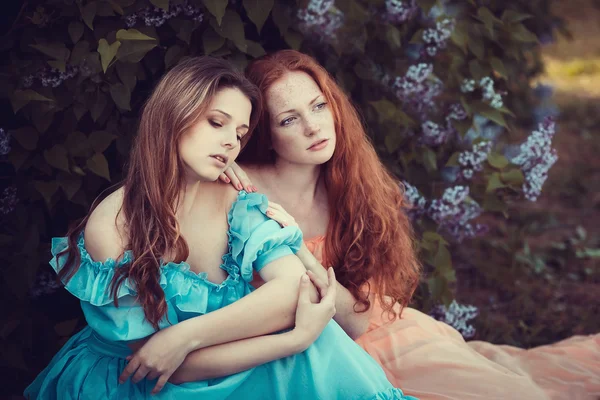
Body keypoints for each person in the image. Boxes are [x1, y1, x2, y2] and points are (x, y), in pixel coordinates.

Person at [24, 57, 417, 400]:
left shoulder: (236, 199)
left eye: (241, 134)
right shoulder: (111, 224)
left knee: (320, 349)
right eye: (217, 123)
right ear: (173, 116)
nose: (230, 142)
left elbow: (290, 289)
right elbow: (157, 364)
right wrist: (293, 338)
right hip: (138, 382)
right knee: (309, 348)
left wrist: (184, 336)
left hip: (221, 359)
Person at [221, 49, 600, 399]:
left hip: (376, 335)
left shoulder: (355, 188)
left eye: (318, 106)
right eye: (289, 119)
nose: (313, 127)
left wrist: (296, 248)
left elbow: (356, 324)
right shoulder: (238, 186)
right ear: (265, 135)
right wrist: (224, 164)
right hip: (296, 353)